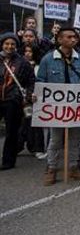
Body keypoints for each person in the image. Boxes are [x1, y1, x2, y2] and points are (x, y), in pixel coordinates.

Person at [1, 33, 35, 170]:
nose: (9, 47)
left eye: (12, 44)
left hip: (12, 101)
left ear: (16, 46)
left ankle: (8, 161)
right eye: (7, 44)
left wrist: (27, 96)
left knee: (11, 132)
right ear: (2, 45)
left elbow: (31, 81)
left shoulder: (23, 62)